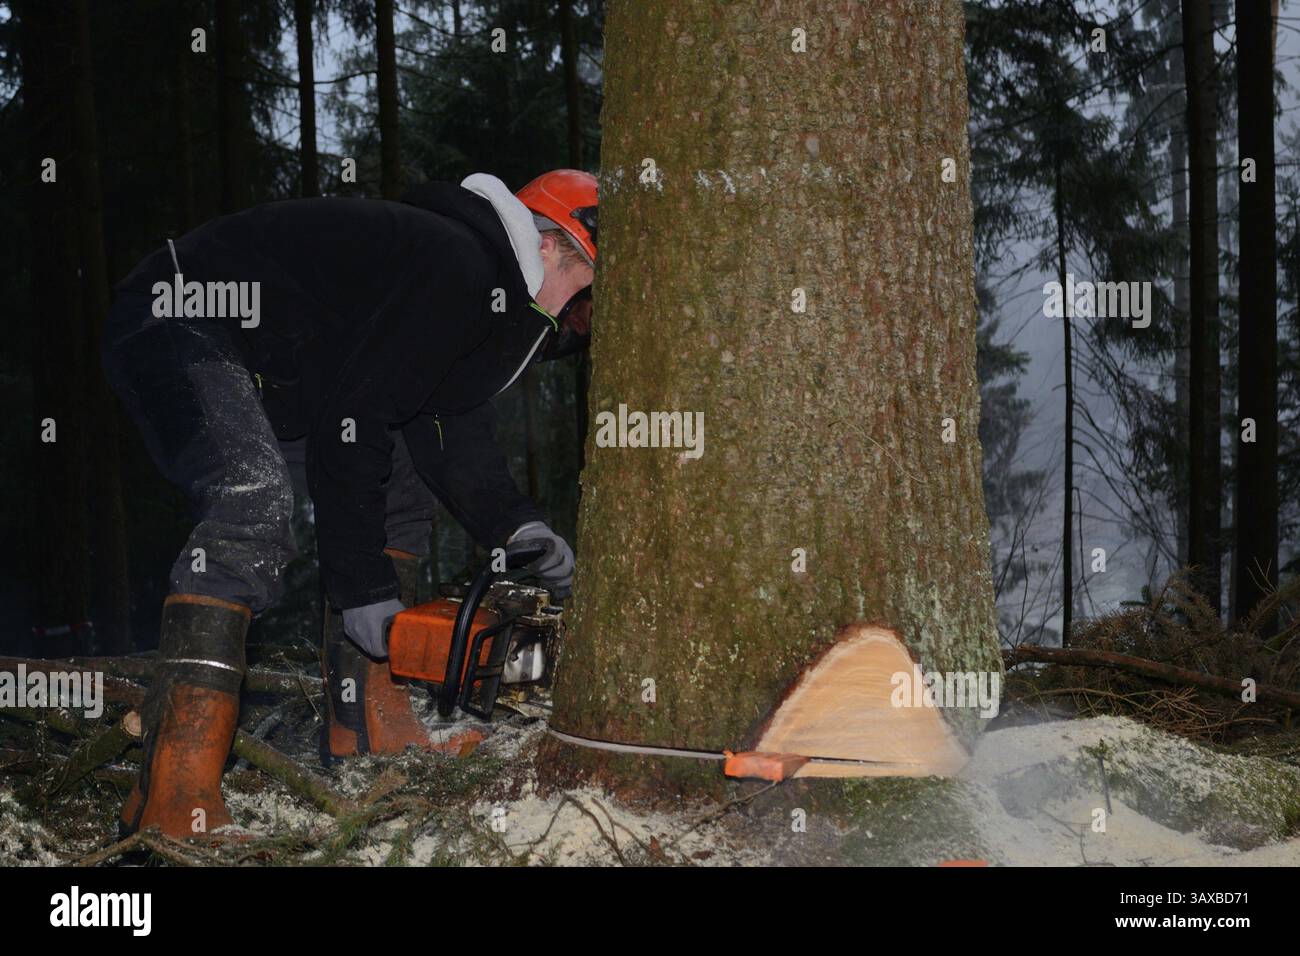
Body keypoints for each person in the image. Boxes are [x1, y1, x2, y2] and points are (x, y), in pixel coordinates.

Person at [103, 170, 597, 838]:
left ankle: (366, 727)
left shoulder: (478, 295)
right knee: (252, 501)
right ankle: (174, 789)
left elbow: (446, 431)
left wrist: (518, 528)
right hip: (181, 314)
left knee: (401, 481)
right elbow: (355, 418)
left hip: (274, 366)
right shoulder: (456, 267)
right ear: (550, 248)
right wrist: (362, 584)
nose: (573, 324)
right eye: (583, 297)